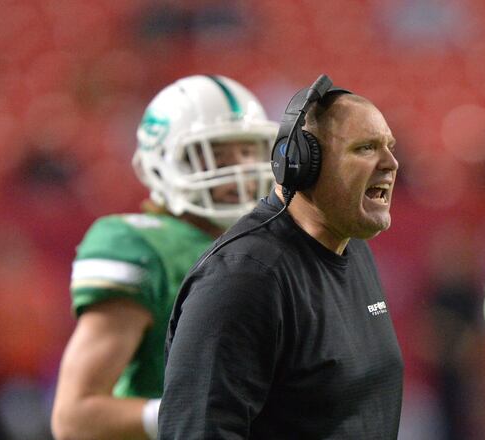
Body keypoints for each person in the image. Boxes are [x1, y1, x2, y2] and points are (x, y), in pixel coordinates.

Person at [159, 76, 403, 439]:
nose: (391, 163)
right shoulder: (243, 279)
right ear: (303, 165)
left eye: (389, 146)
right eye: (365, 148)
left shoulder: (353, 249)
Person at [51, 74, 279, 440]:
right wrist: (195, 413)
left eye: (247, 151)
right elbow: (75, 416)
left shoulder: (272, 242)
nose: (239, 172)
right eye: (215, 156)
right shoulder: (144, 247)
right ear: (160, 163)